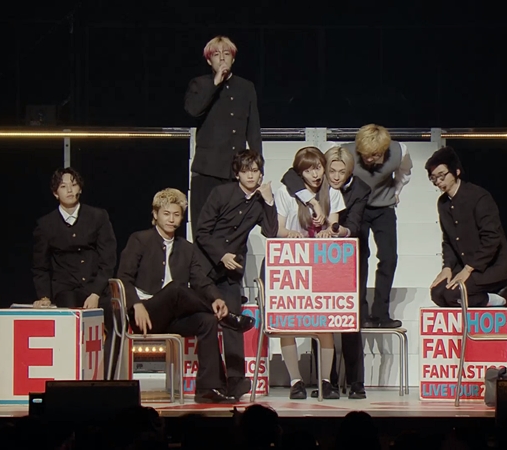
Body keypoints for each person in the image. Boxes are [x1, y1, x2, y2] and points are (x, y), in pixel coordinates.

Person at [116, 188, 255, 403]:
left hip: (174, 317)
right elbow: (123, 278)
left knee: (207, 320)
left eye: (176, 214)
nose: (171, 219)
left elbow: (201, 280)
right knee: (177, 288)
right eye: (166, 214)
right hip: (145, 314)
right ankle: (227, 318)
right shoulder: (140, 240)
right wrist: (136, 304)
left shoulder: (187, 248)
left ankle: (208, 389)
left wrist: (217, 298)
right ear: (155, 214)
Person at [284, 125, 412, 328]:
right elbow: (293, 174)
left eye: (374, 155)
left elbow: (405, 173)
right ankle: (360, 314)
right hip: (354, 206)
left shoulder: (399, 151)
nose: (369, 159)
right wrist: (313, 201)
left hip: (382, 207)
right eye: (365, 155)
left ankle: (381, 314)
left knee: (388, 257)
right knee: (359, 257)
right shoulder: (340, 153)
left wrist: (395, 192)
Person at [281, 146, 370, 399]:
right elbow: (278, 226)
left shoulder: (344, 193)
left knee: (332, 322)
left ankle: (342, 382)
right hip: (298, 264)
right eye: (330, 170)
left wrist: (332, 230)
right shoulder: (291, 188)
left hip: (331, 262)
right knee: (294, 322)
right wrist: (310, 208)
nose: (332, 176)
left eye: (340, 171)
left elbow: (344, 225)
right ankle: (304, 381)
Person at [194, 150, 278, 400]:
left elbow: (271, 232)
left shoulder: (261, 201)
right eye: (245, 171)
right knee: (209, 322)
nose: (250, 176)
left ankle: (236, 381)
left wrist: (270, 201)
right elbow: (201, 232)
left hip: (231, 274)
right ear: (237, 173)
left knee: (233, 322)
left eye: (255, 171)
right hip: (206, 267)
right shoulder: (221, 193)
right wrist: (222, 255)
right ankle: (211, 384)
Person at [274, 146, 346, 399]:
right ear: (300, 173)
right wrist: (291, 234)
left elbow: (335, 225)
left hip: (321, 266)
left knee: (325, 323)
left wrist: (328, 229)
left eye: (318, 168)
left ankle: (325, 381)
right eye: (308, 170)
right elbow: (278, 228)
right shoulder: (286, 192)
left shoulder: (333, 192)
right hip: (291, 265)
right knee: (287, 324)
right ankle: (296, 381)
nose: (315, 174)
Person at [32, 167, 117, 377]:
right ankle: (69, 377)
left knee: (114, 318)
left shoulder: (98, 216)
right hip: (65, 288)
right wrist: (44, 296)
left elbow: (108, 259)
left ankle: (109, 376)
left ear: (80, 188)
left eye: (73, 184)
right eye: (63, 186)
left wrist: (96, 292)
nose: (69, 190)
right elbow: (40, 266)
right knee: (69, 319)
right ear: (55, 193)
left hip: (96, 286)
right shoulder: (45, 224)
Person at [426, 147, 507, 308]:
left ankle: (502, 298)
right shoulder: (443, 203)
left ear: (456, 171)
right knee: (437, 294)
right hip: (466, 265)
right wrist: (447, 267)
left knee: (453, 295)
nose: (438, 181)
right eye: (433, 178)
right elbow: (448, 240)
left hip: (490, 267)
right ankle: (486, 298)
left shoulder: (479, 197)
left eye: (442, 175)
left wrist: (468, 269)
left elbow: (492, 238)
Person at [184, 35, 262, 232]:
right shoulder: (199, 84)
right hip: (206, 170)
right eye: (216, 55)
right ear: (209, 60)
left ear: (233, 59)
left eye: (226, 54)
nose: (221, 58)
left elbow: (253, 129)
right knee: (203, 227)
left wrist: (257, 166)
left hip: (234, 170)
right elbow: (193, 111)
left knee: (232, 228)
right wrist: (215, 83)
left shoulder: (246, 87)